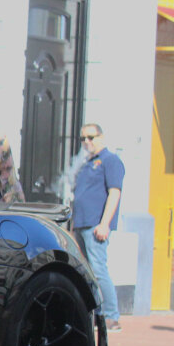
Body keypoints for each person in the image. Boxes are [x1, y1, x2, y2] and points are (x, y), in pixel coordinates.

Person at [72, 123, 125, 331]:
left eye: (91, 137)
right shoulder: (86, 163)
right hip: (82, 224)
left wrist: (104, 224)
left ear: (101, 137)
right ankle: (98, 314)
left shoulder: (110, 161)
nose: (87, 142)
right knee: (88, 272)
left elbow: (114, 192)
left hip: (95, 225)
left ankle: (111, 316)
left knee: (99, 270)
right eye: (83, 138)